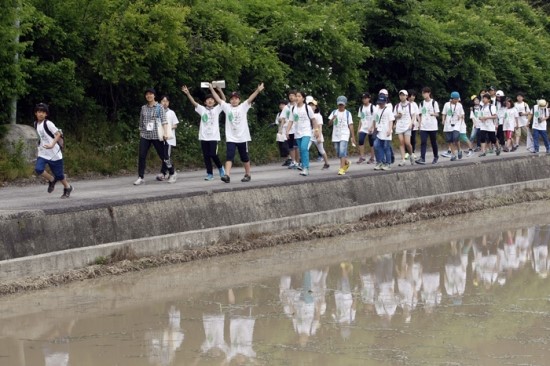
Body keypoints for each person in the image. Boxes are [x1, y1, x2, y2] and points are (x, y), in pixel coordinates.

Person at [209, 82, 265, 183]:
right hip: (231, 137)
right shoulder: (227, 107)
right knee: (229, 156)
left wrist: (258, 90)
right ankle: (227, 175)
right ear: (230, 100)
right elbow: (218, 99)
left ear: (239, 100)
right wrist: (212, 89)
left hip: (242, 137)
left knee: (244, 157)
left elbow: (250, 98)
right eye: (232, 98)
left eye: (236, 98)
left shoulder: (243, 106)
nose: (234, 100)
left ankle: (248, 174)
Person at [181, 85, 226, 181]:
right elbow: (193, 102)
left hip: (213, 137)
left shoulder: (217, 109)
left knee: (213, 154)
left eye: (212, 99)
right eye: (208, 100)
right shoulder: (202, 109)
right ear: (205, 102)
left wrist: (219, 91)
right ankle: (210, 174)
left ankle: (221, 168)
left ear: (214, 101)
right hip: (203, 137)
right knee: (206, 156)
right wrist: (188, 93)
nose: (210, 101)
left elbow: (224, 100)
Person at [33, 103, 73, 198]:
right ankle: (51, 179)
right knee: (38, 169)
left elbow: (58, 134)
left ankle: (67, 187)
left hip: (54, 153)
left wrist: (52, 144)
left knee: (59, 175)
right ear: (36, 113)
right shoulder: (35, 124)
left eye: (43, 112)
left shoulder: (48, 123)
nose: (41, 114)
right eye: (39, 112)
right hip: (43, 153)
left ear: (46, 114)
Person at [134, 87, 171, 185]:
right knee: (142, 155)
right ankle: (140, 177)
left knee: (163, 156)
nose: (149, 96)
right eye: (147, 94)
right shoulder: (143, 108)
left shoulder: (159, 107)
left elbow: (164, 121)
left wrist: (166, 133)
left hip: (156, 135)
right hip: (145, 135)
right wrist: (141, 131)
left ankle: (172, 172)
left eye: (151, 94)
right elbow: (141, 121)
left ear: (154, 95)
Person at [285, 91, 318, 176]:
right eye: (296, 96)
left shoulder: (307, 108)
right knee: (301, 149)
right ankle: (303, 167)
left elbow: (313, 120)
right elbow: (291, 121)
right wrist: (287, 131)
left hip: (306, 131)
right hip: (297, 133)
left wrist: (316, 130)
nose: (297, 98)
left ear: (303, 98)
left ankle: (306, 168)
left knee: (304, 148)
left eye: (299, 96)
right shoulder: (293, 108)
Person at [329, 96, 356, 175]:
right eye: (339, 105)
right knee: (338, 152)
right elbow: (329, 124)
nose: (340, 106)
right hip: (336, 135)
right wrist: (332, 119)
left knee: (342, 150)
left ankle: (341, 168)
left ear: (345, 105)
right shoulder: (334, 112)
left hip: (344, 134)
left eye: (342, 105)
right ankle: (346, 162)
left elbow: (350, 125)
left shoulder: (348, 113)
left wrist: (353, 136)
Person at [156, 95, 178, 183]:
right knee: (163, 156)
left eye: (166, 101)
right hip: (160, 137)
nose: (164, 103)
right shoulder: (157, 112)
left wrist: (167, 128)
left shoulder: (171, 113)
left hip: (169, 138)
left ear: (168, 103)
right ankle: (163, 172)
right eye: (163, 101)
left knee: (166, 156)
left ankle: (171, 172)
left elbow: (175, 125)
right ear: (160, 102)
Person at [416, 87, 440, 165]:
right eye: (423, 93)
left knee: (433, 142)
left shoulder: (434, 102)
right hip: (424, 126)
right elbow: (419, 114)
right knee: (423, 142)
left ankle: (436, 156)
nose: (424, 95)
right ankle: (422, 158)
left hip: (432, 126)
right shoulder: (421, 103)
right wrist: (419, 124)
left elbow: (437, 114)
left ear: (429, 93)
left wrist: (433, 114)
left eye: (425, 93)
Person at [371, 94, 395, 171]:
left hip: (386, 132)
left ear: (385, 102)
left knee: (386, 147)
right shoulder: (377, 110)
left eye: (382, 102)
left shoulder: (388, 110)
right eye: (379, 102)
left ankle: (388, 163)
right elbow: (375, 120)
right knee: (376, 145)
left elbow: (391, 120)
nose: (380, 104)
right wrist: (374, 128)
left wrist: (390, 129)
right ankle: (380, 161)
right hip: (379, 132)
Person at [394, 89, 416, 166]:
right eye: (400, 95)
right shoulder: (397, 106)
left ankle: (411, 155)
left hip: (407, 125)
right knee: (401, 142)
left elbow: (414, 115)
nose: (402, 96)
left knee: (407, 143)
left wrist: (411, 123)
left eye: (403, 95)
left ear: (406, 96)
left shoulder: (410, 105)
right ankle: (403, 159)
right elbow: (394, 116)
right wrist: (398, 116)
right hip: (399, 125)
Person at [441, 91, 465, 161]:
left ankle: (459, 150)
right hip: (448, 124)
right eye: (455, 99)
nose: (456, 100)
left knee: (455, 138)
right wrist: (443, 120)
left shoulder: (459, 105)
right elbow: (444, 113)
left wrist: (460, 117)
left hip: (456, 124)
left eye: (457, 99)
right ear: (452, 98)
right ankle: (453, 154)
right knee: (450, 140)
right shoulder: (446, 105)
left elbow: (462, 114)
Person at [308, 97, 330, 169]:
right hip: (310, 134)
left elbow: (320, 126)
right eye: (310, 105)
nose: (311, 107)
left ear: (316, 107)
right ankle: (304, 164)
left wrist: (319, 136)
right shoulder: (308, 115)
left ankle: (326, 163)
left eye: (313, 105)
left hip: (317, 134)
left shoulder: (318, 115)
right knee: (306, 148)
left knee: (321, 150)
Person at [356, 92, 376, 164]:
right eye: (363, 98)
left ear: (369, 98)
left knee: (371, 143)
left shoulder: (373, 107)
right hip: (363, 127)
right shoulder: (361, 108)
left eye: (365, 98)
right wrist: (359, 128)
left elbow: (375, 118)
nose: (364, 100)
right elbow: (361, 119)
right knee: (361, 140)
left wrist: (372, 127)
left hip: (371, 127)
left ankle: (372, 157)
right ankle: (362, 157)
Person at [281, 90, 299, 169]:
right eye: (290, 95)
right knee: (290, 146)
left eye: (293, 95)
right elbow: (283, 118)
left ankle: (298, 162)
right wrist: (281, 129)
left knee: (296, 146)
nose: (291, 97)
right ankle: (293, 161)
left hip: (297, 129)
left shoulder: (298, 106)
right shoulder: (286, 107)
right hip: (288, 129)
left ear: (296, 96)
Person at [275, 100, 291, 166]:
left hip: (288, 130)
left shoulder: (288, 111)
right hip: (281, 131)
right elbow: (277, 121)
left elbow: (290, 120)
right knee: (282, 146)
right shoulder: (279, 114)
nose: (281, 106)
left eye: (283, 104)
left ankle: (291, 159)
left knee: (287, 145)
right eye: (280, 105)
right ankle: (287, 159)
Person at [408, 89, 420, 157]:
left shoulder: (415, 104)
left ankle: (413, 152)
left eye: (414, 96)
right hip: (406, 124)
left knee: (413, 139)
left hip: (414, 124)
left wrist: (420, 122)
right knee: (407, 139)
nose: (413, 97)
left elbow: (417, 114)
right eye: (412, 95)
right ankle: (407, 152)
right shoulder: (406, 103)